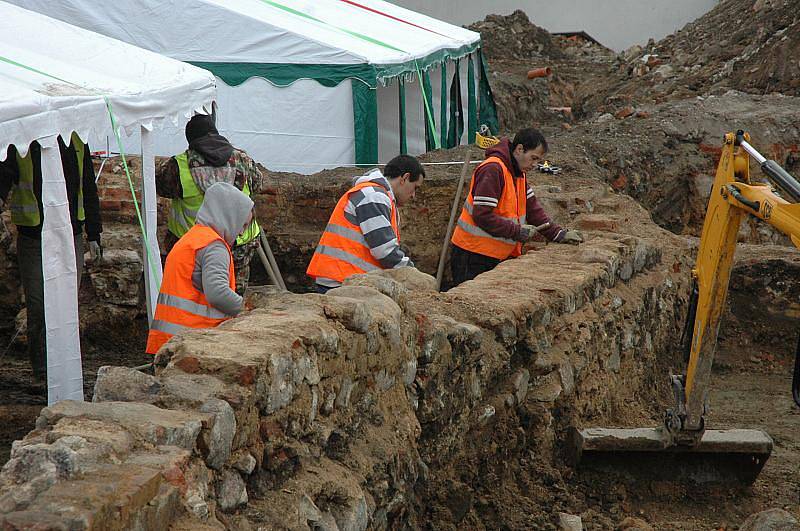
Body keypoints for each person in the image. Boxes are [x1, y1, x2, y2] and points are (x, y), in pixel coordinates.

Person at [0, 134, 102, 384]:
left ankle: (66, 366)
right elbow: (4, 174)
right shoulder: (23, 140)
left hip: (71, 234)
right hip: (34, 235)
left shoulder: (76, 141)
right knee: (39, 305)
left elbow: (88, 187)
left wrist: (94, 232)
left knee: (66, 302)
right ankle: (43, 371)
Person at [450, 127, 582, 287]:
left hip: (490, 254)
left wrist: (558, 234)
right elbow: (482, 215)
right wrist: (517, 232)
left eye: (538, 161)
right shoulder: (493, 169)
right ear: (519, 149)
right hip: (472, 254)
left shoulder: (517, 172)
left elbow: (533, 211)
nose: (534, 165)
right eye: (533, 158)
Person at [156, 114, 265, 295]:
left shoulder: (178, 165)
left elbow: (161, 186)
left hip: (194, 247)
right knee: (231, 296)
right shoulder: (243, 160)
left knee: (195, 298)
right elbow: (257, 185)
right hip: (238, 244)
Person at [146, 182, 253, 355]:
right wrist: (249, 309)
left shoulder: (193, 238)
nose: (241, 233)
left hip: (170, 340)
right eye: (243, 225)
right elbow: (218, 294)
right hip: (191, 344)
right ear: (229, 217)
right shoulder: (214, 247)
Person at [306, 154, 424, 293]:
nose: (413, 195)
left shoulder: (379, 196)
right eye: (415, 187)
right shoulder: (374, 196)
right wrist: (413, 274)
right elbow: (385, 252)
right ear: (404, 178)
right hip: (341, 281)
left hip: (346, 278)